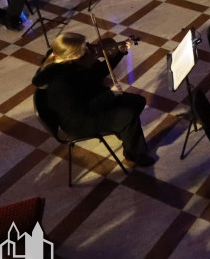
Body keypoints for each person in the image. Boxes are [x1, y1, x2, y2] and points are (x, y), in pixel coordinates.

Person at [32, 32, 154, 167]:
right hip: (79, 121)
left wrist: (119, 53)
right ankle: (135, 154)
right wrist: (110, 95)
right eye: (84, 48)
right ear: (72, 55)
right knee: (127, 115)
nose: (88, 50)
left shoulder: (72, 63)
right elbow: (79, 112)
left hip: (89, 99)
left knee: (137, 102)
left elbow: (98, 72)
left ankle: (125, 132)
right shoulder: (60, 82)